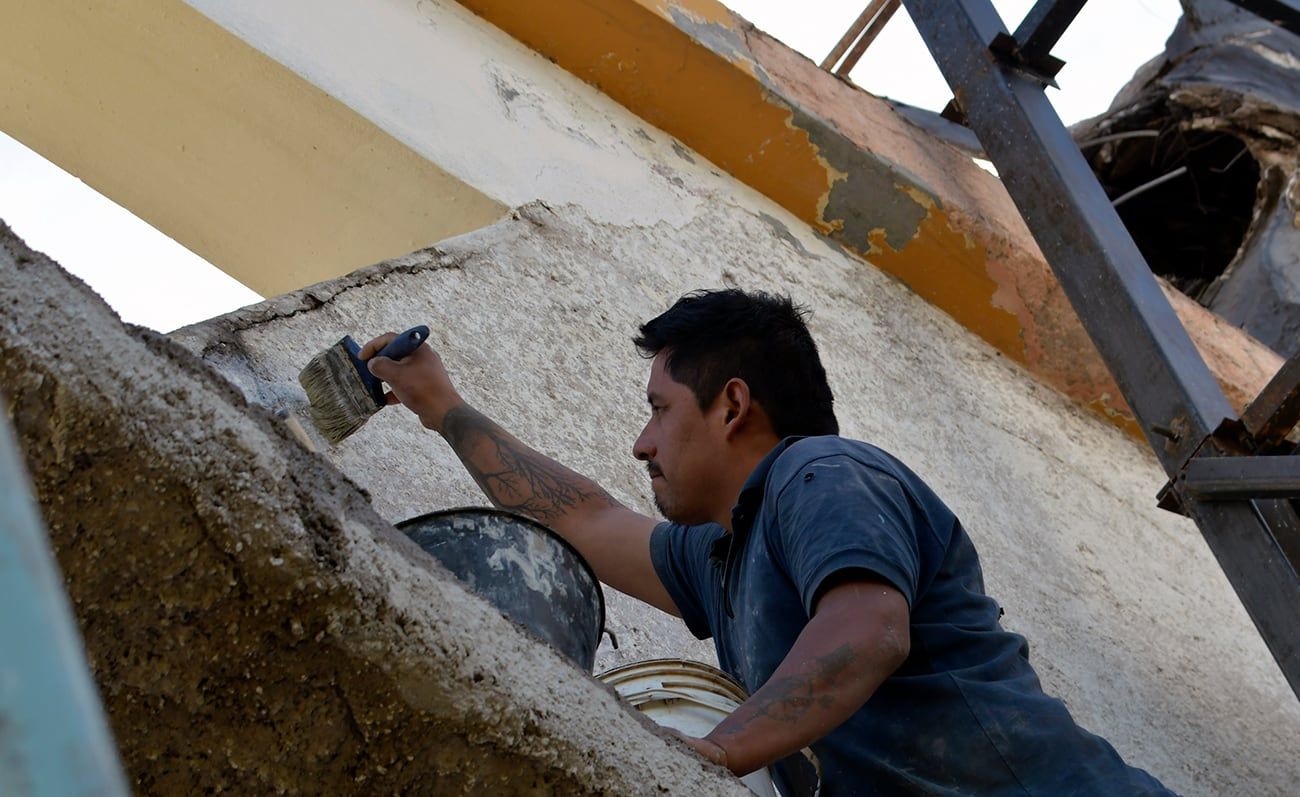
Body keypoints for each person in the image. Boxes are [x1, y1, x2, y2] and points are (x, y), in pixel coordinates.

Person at [361, 288, 1177, 796]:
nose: (642, 443)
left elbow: (869, 630)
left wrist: (712, 753)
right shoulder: (721, 556)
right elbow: (581, 518)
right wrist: (441, 405)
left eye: (659, 408)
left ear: (732, 405)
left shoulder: (821, 472)